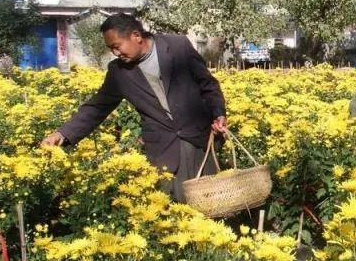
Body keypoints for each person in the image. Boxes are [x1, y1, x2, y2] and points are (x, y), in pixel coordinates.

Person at [41, 13, 227, 202]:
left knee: (211, 204)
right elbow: (97, 107)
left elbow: (208, 84)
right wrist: (62, 134)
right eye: (110, 49)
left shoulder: (178, 46)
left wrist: (218, 113)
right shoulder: (119, 72)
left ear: (136, 36)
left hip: (199, 141)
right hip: (163, 151)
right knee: (173, 212)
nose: (115, 53)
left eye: (116, 46)